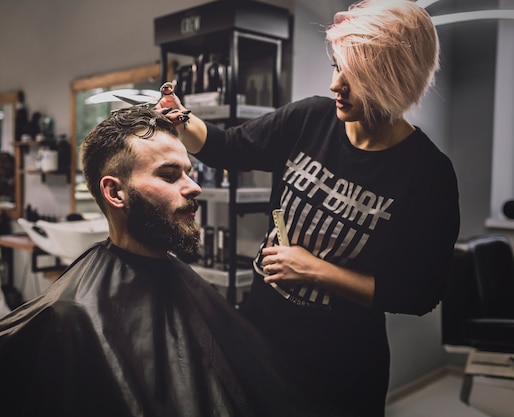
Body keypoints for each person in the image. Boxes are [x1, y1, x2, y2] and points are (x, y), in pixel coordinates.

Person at [156, 1, 460, 415]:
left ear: (397, 79)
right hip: (261, 338)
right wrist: (181, 118)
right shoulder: (309, 119)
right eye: (337, 66)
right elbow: (229, 147)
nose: (337, 85)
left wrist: (313, 270)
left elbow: (420, 293)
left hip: (341, 370)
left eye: (358, 76)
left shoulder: (428, 174)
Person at [0, 107, 335, 417]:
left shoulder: (187, 287)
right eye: (169, 174)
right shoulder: (71, 313)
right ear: (115, 192)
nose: (193, 186)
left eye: (189, 172)